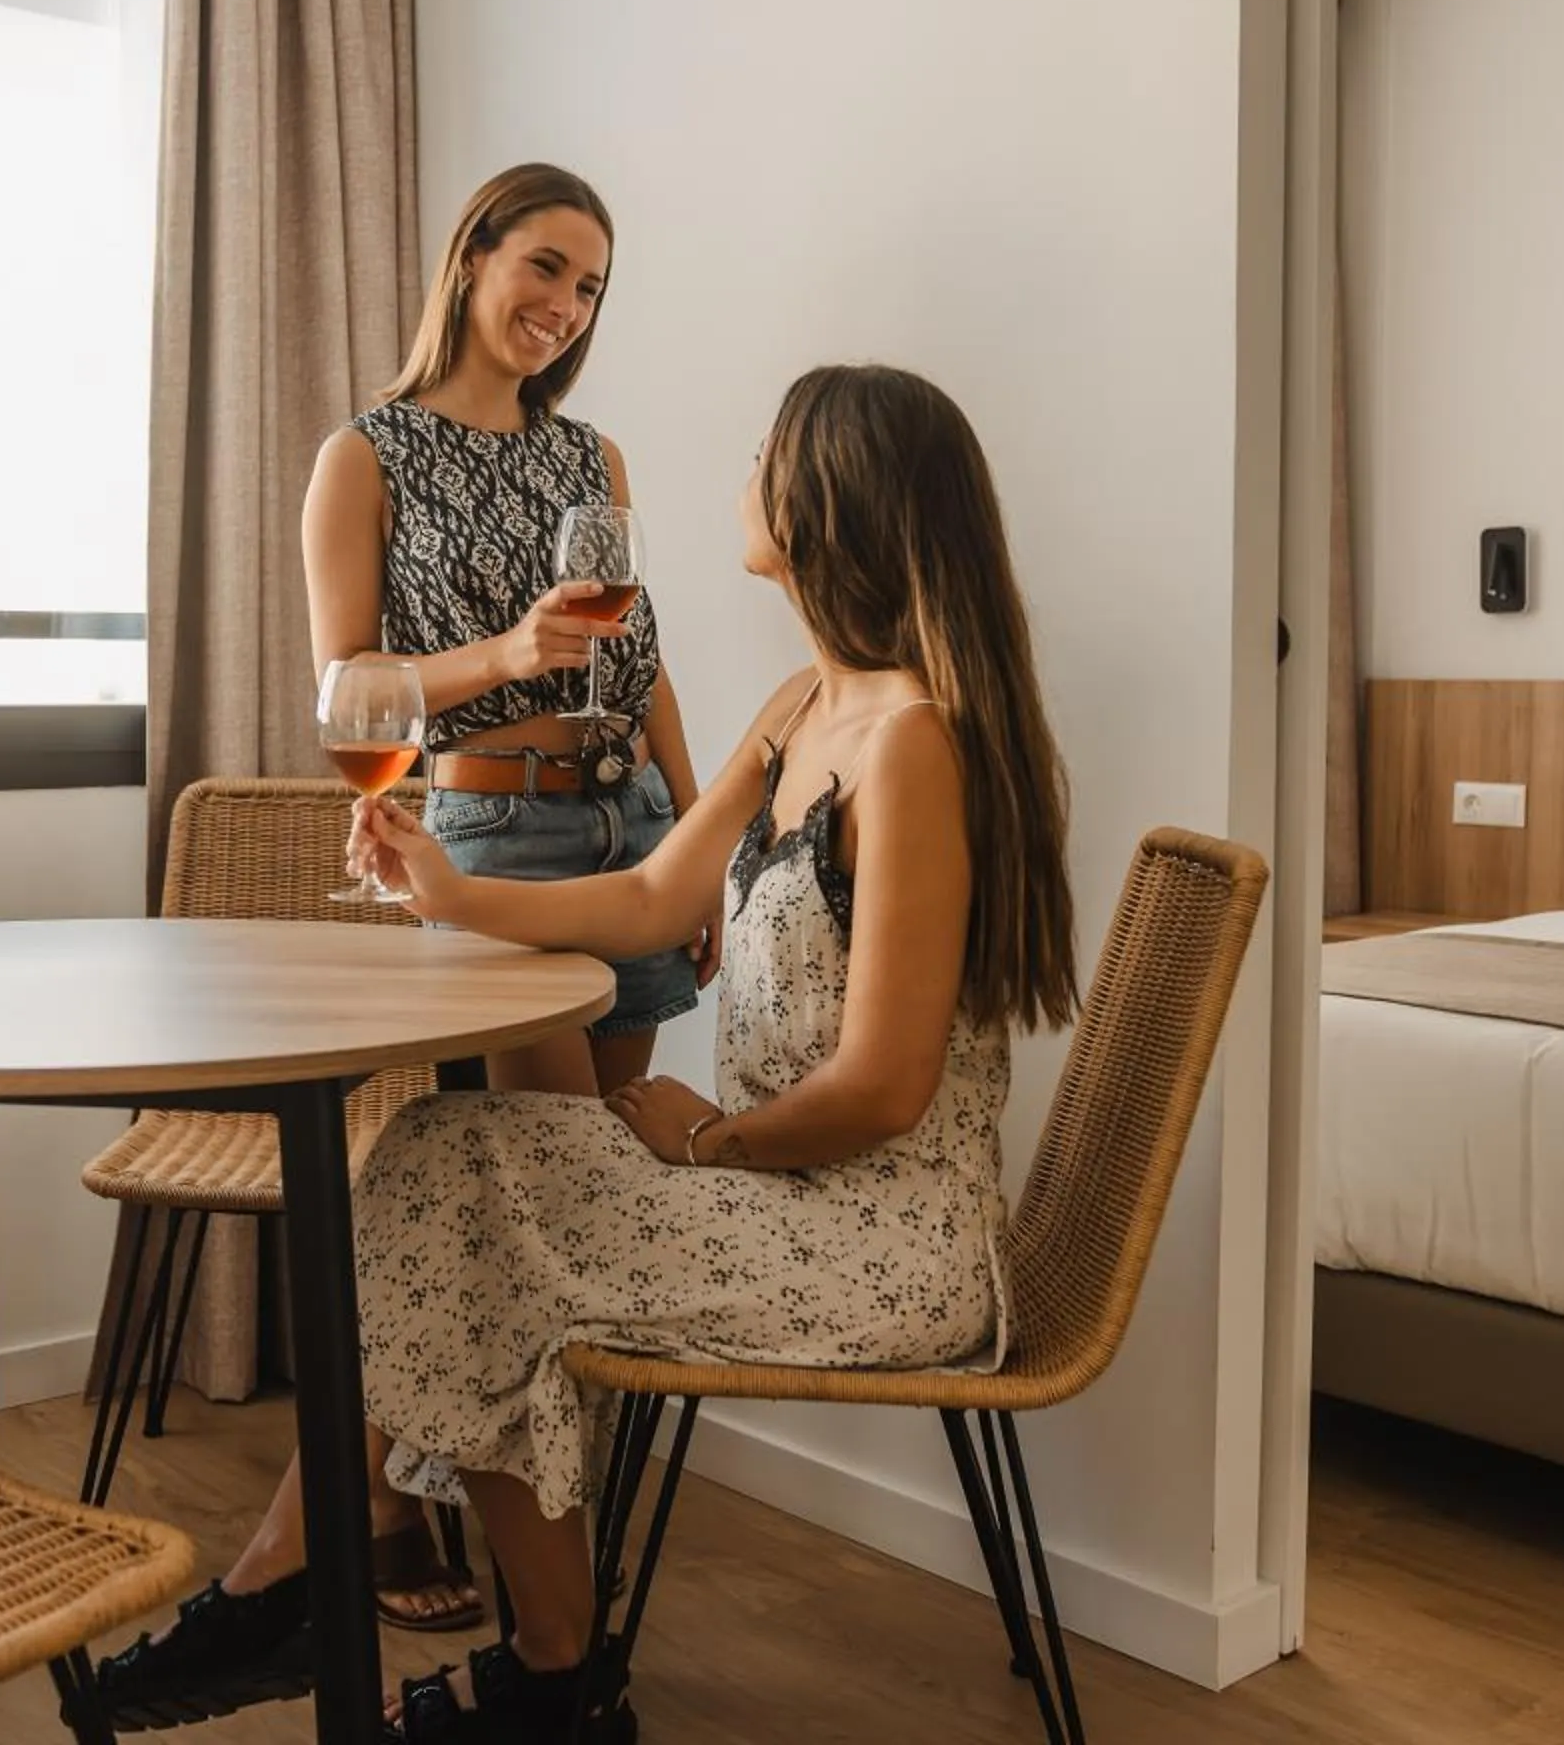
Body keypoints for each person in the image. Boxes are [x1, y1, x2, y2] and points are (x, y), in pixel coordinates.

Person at [101, 364, 1079, 1743]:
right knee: (445, 1154)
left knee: (474, 1214)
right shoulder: (807, 704)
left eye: (765, 452)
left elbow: (885, 1088)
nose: (743, 474)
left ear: (827, 500)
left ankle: (413, 1622)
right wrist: (449, 890)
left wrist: (711, 1138)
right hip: (773, 1193)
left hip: (879, 1241)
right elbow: (651, 900)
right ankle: (510, 1656)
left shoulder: (914, 746)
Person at [301, 162, 714, 1631]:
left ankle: (461, 1523)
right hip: (496, 837)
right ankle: (425, 1529)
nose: (565, 306)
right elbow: (350, 687)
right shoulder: (366, 456)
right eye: (546, 267)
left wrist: (692, 839)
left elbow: (638, 660)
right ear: (473, 256)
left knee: (578, 1207)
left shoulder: (592, 457)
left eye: (590, 288)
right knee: (544, 1195)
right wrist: (507, 652)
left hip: (627, 822)